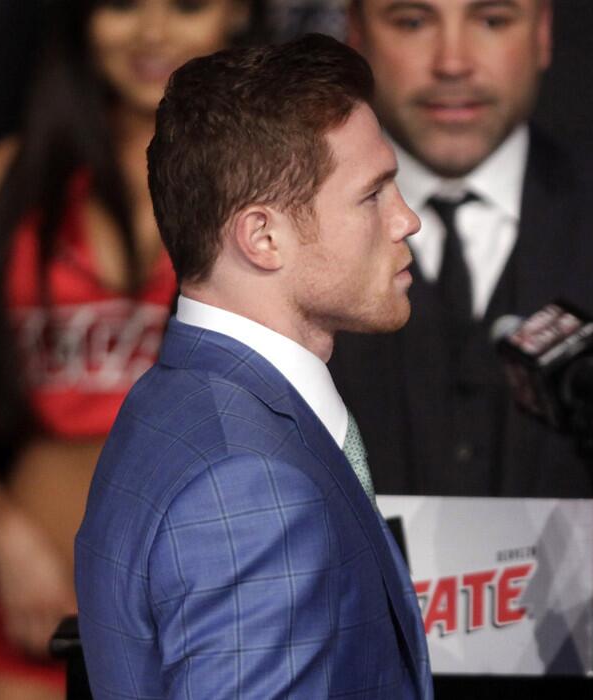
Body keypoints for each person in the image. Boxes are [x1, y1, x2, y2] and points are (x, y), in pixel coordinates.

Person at [337, 0, 593, 640]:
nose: (453, 63)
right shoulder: (293, 242)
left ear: (542, 35)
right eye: (413, 21)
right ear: (357, 36)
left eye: (492, 20)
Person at [73, 34, 432, 697]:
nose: (407, 220)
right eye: (372, 195)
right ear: (263, 237)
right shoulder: (252, 487)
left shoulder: (169, 400)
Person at [0, 1, 260, 697]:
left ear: (237, 12)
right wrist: (4, 537)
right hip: (38, 608)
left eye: (186, 5)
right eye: (123, 4)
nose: (152, 33)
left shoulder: (272, 187)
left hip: (218, 608)